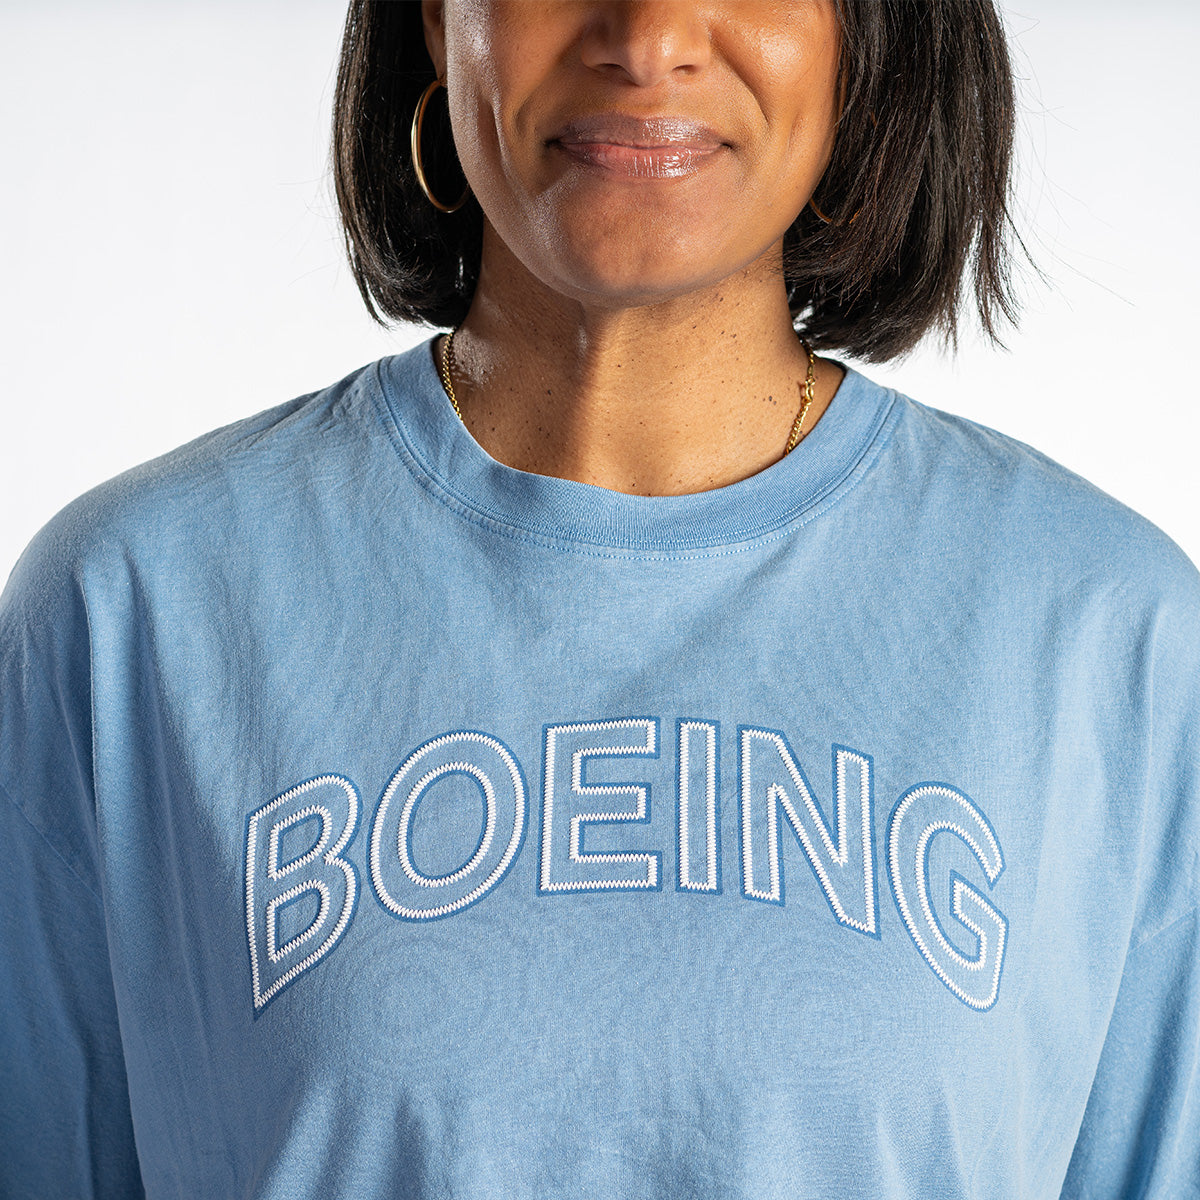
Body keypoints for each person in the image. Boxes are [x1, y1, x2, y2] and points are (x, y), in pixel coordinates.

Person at [1, 1, 1197, 1196]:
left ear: (870, 33)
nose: (648, 36)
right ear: (435, 19)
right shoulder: (129, 615)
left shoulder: (1111, 637)